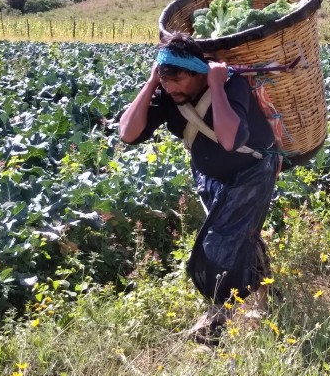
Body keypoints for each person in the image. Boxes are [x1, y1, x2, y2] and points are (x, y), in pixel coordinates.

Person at [119, 31, 279, 341]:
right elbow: (127, 133)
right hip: (209, 176)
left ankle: (216, 320)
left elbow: (231, 139)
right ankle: (265, 298)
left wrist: (217, 86)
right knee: (238, 235)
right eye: (167, 81)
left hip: (252, 172)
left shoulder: (230, 84)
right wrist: (152, 83)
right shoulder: (167, 92)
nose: (173, 88)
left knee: (218, 244)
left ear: (200, 72)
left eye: (179, 80)